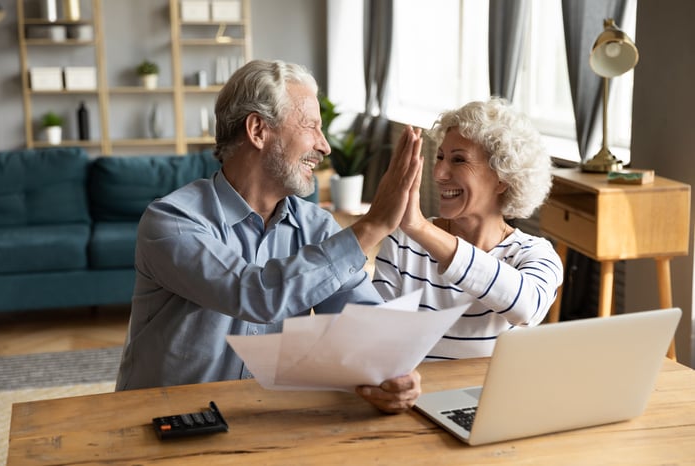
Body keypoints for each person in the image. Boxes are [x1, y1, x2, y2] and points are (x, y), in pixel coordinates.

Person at [115, 59, 423, 414]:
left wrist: (391, 370)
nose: (324, 147)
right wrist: (371, 227)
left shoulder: (316, 227)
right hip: (162, 422)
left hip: (258, 418)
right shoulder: (172, 221)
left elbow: (360, 321)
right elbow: (255, 295)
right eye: (311, 126)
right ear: (258, 130)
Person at [373, 97, 563, 360]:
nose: (439, 173)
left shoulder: (534, 254)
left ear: (502, 179)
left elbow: (527, 308)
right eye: (440, 157)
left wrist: (419, 228)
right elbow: (376, 339)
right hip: (416, 396)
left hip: (493, 398)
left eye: (459, 160)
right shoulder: (403, 243)